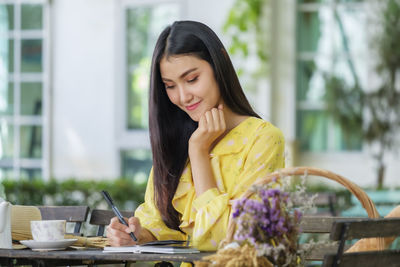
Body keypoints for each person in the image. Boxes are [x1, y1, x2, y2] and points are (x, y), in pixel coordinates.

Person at [106, 20, 285, 251]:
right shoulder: (175, 140)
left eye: (191, 80)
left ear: (219, 64)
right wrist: (138, 234)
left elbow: (226, 239)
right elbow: (158, 221)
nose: (183, 97)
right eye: (170, 86)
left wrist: (199, 152)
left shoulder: (263, 139)